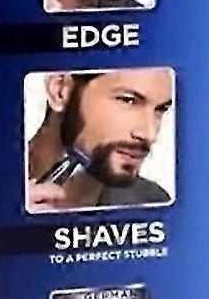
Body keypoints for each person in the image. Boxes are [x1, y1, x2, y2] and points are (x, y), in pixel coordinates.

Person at [27, 68, 174, 211]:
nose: (150, 135)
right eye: (128, 100)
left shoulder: (151, 203)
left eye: (161, 109)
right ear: (60, 90)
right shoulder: (11, 190)